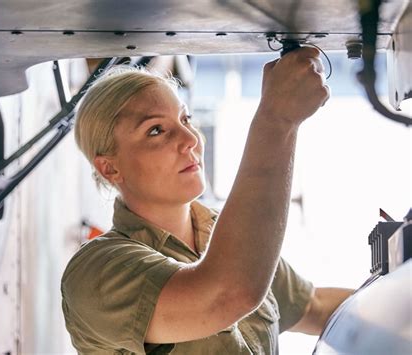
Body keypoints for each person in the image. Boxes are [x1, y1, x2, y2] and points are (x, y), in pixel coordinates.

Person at [61, 47, 353, 354]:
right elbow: (226, 294)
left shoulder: (225, 236)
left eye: (185, 119)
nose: (190, 140)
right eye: (156, 130)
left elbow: (314, 308)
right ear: (110, 167)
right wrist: (277, 119)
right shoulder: (96, 274)